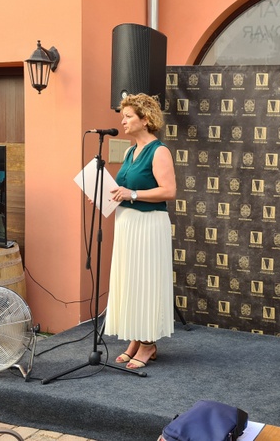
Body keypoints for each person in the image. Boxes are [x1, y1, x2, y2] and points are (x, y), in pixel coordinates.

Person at [103, 93, 176, 370]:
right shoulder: (129, 151)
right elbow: (123, 189)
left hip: (148, 226)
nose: (123, 121)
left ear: (145, 120)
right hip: (127, 225)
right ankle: (136, 337)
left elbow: (168, 191)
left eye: (128, 116)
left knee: (146, 282)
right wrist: (105, 194)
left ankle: (148, 344)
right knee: (132, 282)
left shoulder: (159, 151)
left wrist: (131, 194)